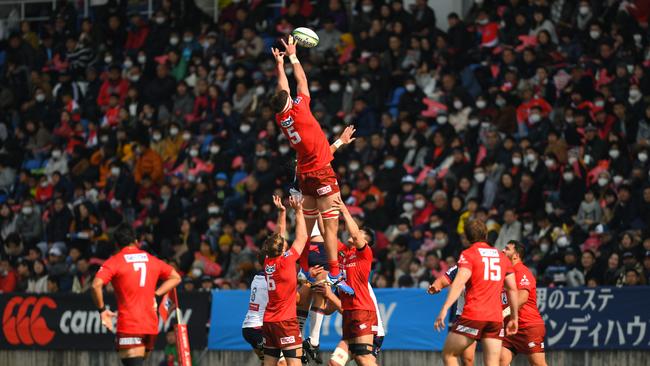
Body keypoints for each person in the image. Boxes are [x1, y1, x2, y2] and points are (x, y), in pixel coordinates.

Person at [269, 35, 353, 296]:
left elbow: (283, 89)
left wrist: (279, 65)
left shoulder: (282, 117)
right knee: (330, 226)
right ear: (289, 103)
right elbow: (302, 82)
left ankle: (304, 268)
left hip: (303, 172)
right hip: (321, 173)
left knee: (305, 226)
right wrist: (293, 56)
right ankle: (336, 273)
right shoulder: (300, 111)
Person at [91, 223, 181, 366]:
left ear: (117, 244)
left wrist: (102, 311)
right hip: (150, 325)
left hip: (130, 325)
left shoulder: (115, 261)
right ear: (136, 241)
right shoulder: (152, 259)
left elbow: (96, 285)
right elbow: (176, 277)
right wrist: (156, 294)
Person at [434, 220, 519, 366]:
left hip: (474, 314)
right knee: (492, 364)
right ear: (486, 234)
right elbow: (512, 288)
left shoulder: (469, 254)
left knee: (449, 354)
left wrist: (445, 308)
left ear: (466, 238)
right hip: (495, 318)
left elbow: (460, 282)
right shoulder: (502, 257)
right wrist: (514, 317)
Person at [331, 197, 378, 366]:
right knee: (335, 363)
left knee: (364, 359)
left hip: (362, 311)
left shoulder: (364, 254)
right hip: (349, 313)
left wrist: (344, 210)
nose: (355, 232)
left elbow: (356, 235)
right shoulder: (344, 253)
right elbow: (327, 234)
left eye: (361, 232)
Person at [262, 195, 308, 366]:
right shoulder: (287, 260)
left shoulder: (268, 261)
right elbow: (302, 237)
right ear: (282, 249)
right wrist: (299, 211)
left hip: (269, 321)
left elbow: (277, 238)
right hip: (285, 321)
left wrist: (282, 213)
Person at [243, 196, 288, 366]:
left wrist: (281, 213)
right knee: (281, 363)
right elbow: (279, 240)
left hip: (249, 327)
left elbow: (278, 238)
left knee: (269, 362)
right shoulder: (274, 275)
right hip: (258, 328)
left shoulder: (260, 275)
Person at [500, 240, 547, 366]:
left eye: (507, 249)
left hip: (528, 326)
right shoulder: (504, 274)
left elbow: (522, 298)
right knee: (500, 361)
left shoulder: (521, 271)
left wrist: (502, 313)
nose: (503, 251)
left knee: (538, 363)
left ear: (516, 255)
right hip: (510, 328)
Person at [428, 265, 475, 366]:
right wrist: (436, 286)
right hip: (467, 316)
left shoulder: (493, 266)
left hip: (490, 314)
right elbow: (442, 280)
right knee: (467, 358)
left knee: (500, 359)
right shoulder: (462, 265)